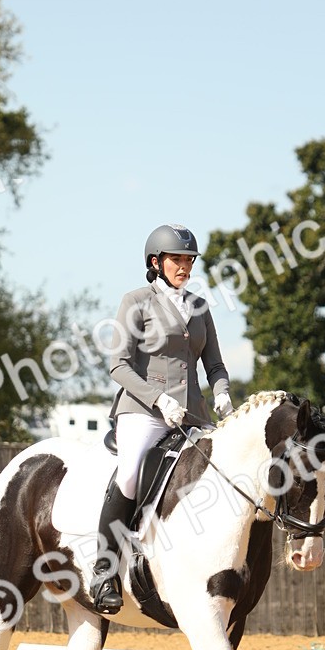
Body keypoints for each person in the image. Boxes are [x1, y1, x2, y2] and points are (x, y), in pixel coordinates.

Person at [89, 223, 234, 614]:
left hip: (193, 414)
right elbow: (118, 366)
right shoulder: (136, 301)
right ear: (156, 262)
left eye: (189, 259)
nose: (184, 266)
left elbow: (215, 363)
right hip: (143, 411)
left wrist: (221, 393)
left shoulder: (200, 307)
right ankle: (104, 570)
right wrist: (158, 401)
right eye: (177, 259)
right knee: (131, 472)